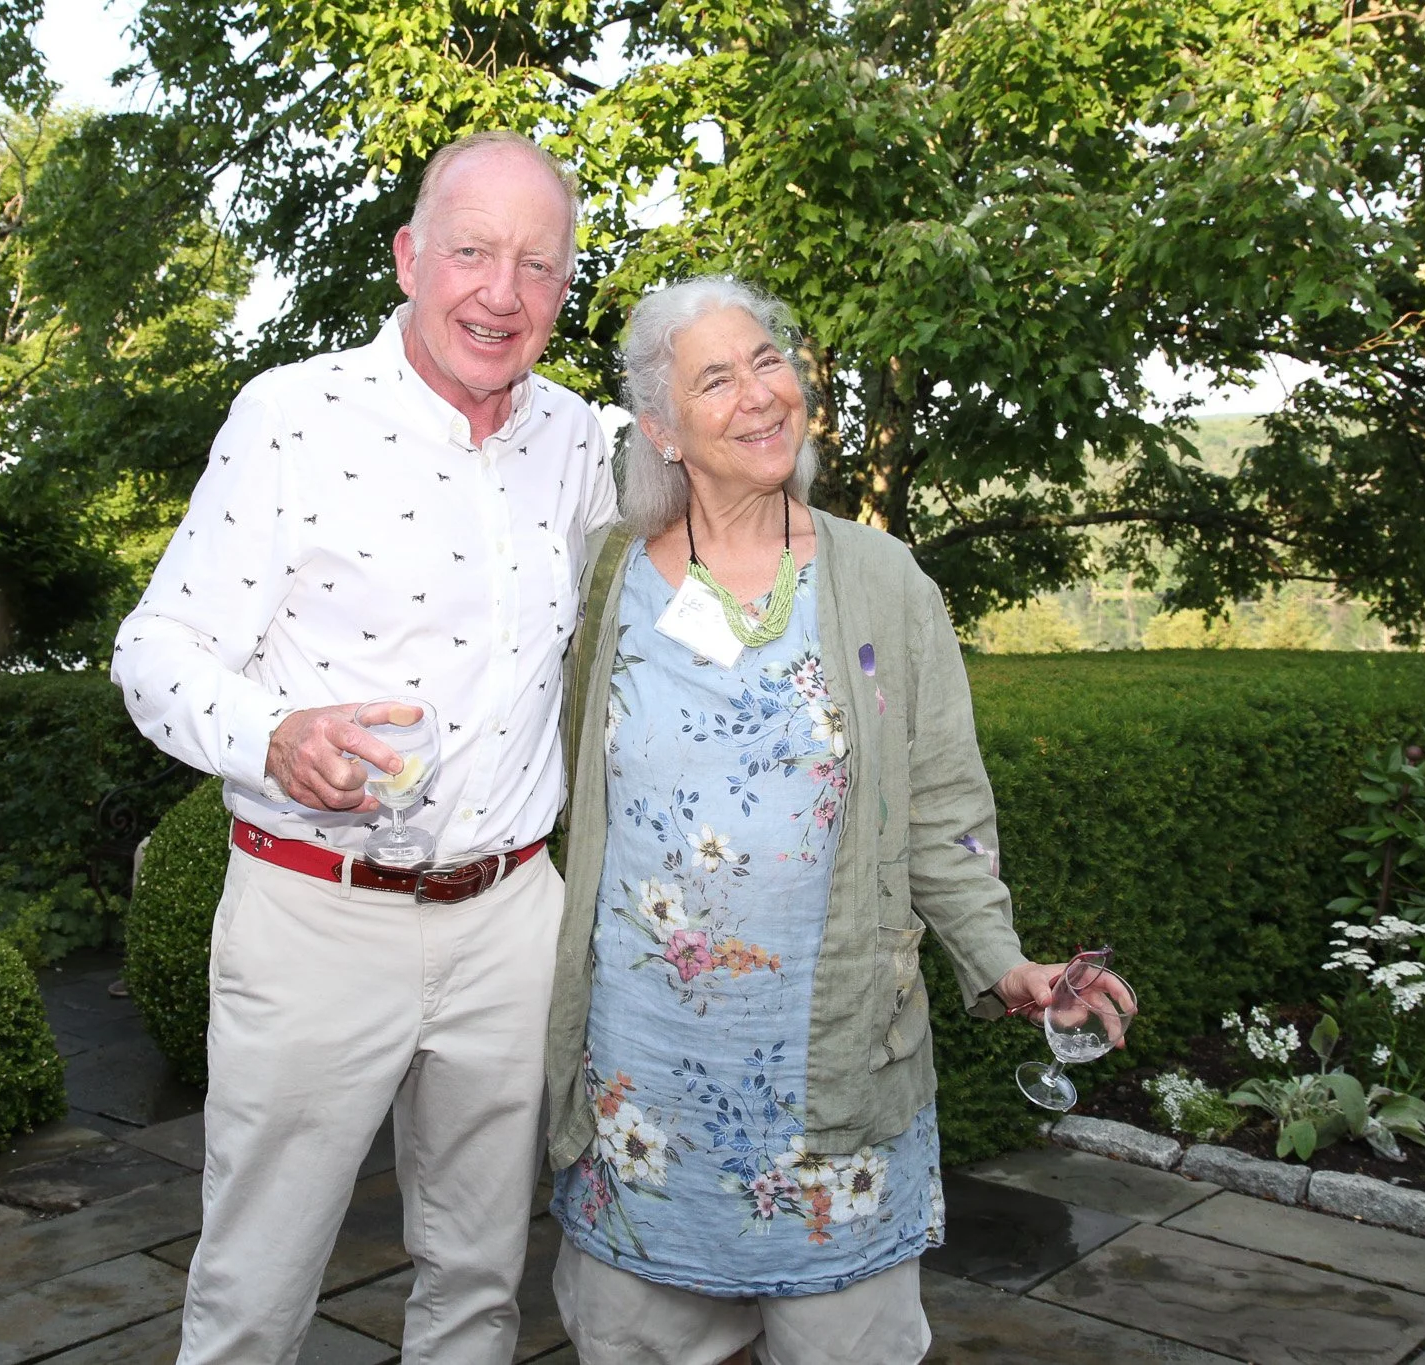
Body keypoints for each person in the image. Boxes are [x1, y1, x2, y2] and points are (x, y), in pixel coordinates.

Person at [112, 131, 619, 1365]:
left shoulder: (580, 443)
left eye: (537, 266)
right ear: (407, 258)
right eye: (471, 252)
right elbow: (154, 651)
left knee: (480, 1280)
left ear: (564, 290)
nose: (500, 292)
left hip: (511, 919)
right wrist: (272, 736)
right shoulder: (292, 416)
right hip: (314, 919)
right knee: (255, 1288)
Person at [542, 277, 1101, 1365]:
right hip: (645, 1085)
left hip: (832, 1075)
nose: (760, 394)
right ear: (661, 429)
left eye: (767, 360)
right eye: (716, 378)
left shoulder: (885, 582)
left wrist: (1004, 962)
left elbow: (941, 808)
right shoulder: (605, 579)